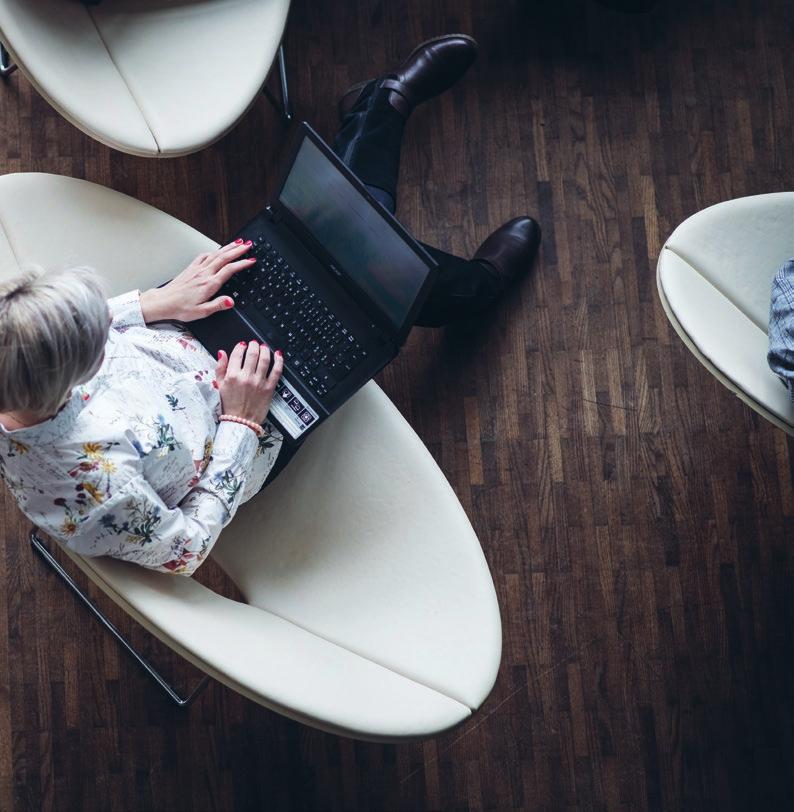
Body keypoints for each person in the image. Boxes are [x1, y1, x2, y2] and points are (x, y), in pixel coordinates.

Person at [0, 35, 541, 576]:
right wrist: (241, 421)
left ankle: (384, 115)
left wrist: (152, 303)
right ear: (72, 371)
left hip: (176, 332)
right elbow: (185, 550)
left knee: (306, 245)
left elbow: (51, 341)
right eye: (94, 336)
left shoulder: (16, 374)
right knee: (357, 279)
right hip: (246, 415)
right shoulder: (98, 494)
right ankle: (465, 275)